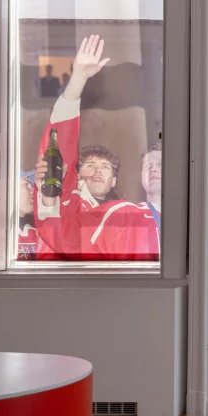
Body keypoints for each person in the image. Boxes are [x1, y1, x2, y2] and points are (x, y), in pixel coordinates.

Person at [33, 35, 160, 261]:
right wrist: (78, 79)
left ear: (114, 181)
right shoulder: (64, 198)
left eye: (106, 167)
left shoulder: (127, 215)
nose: (97, 171)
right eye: (90, 165)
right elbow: (60, 142)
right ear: (75, 173)